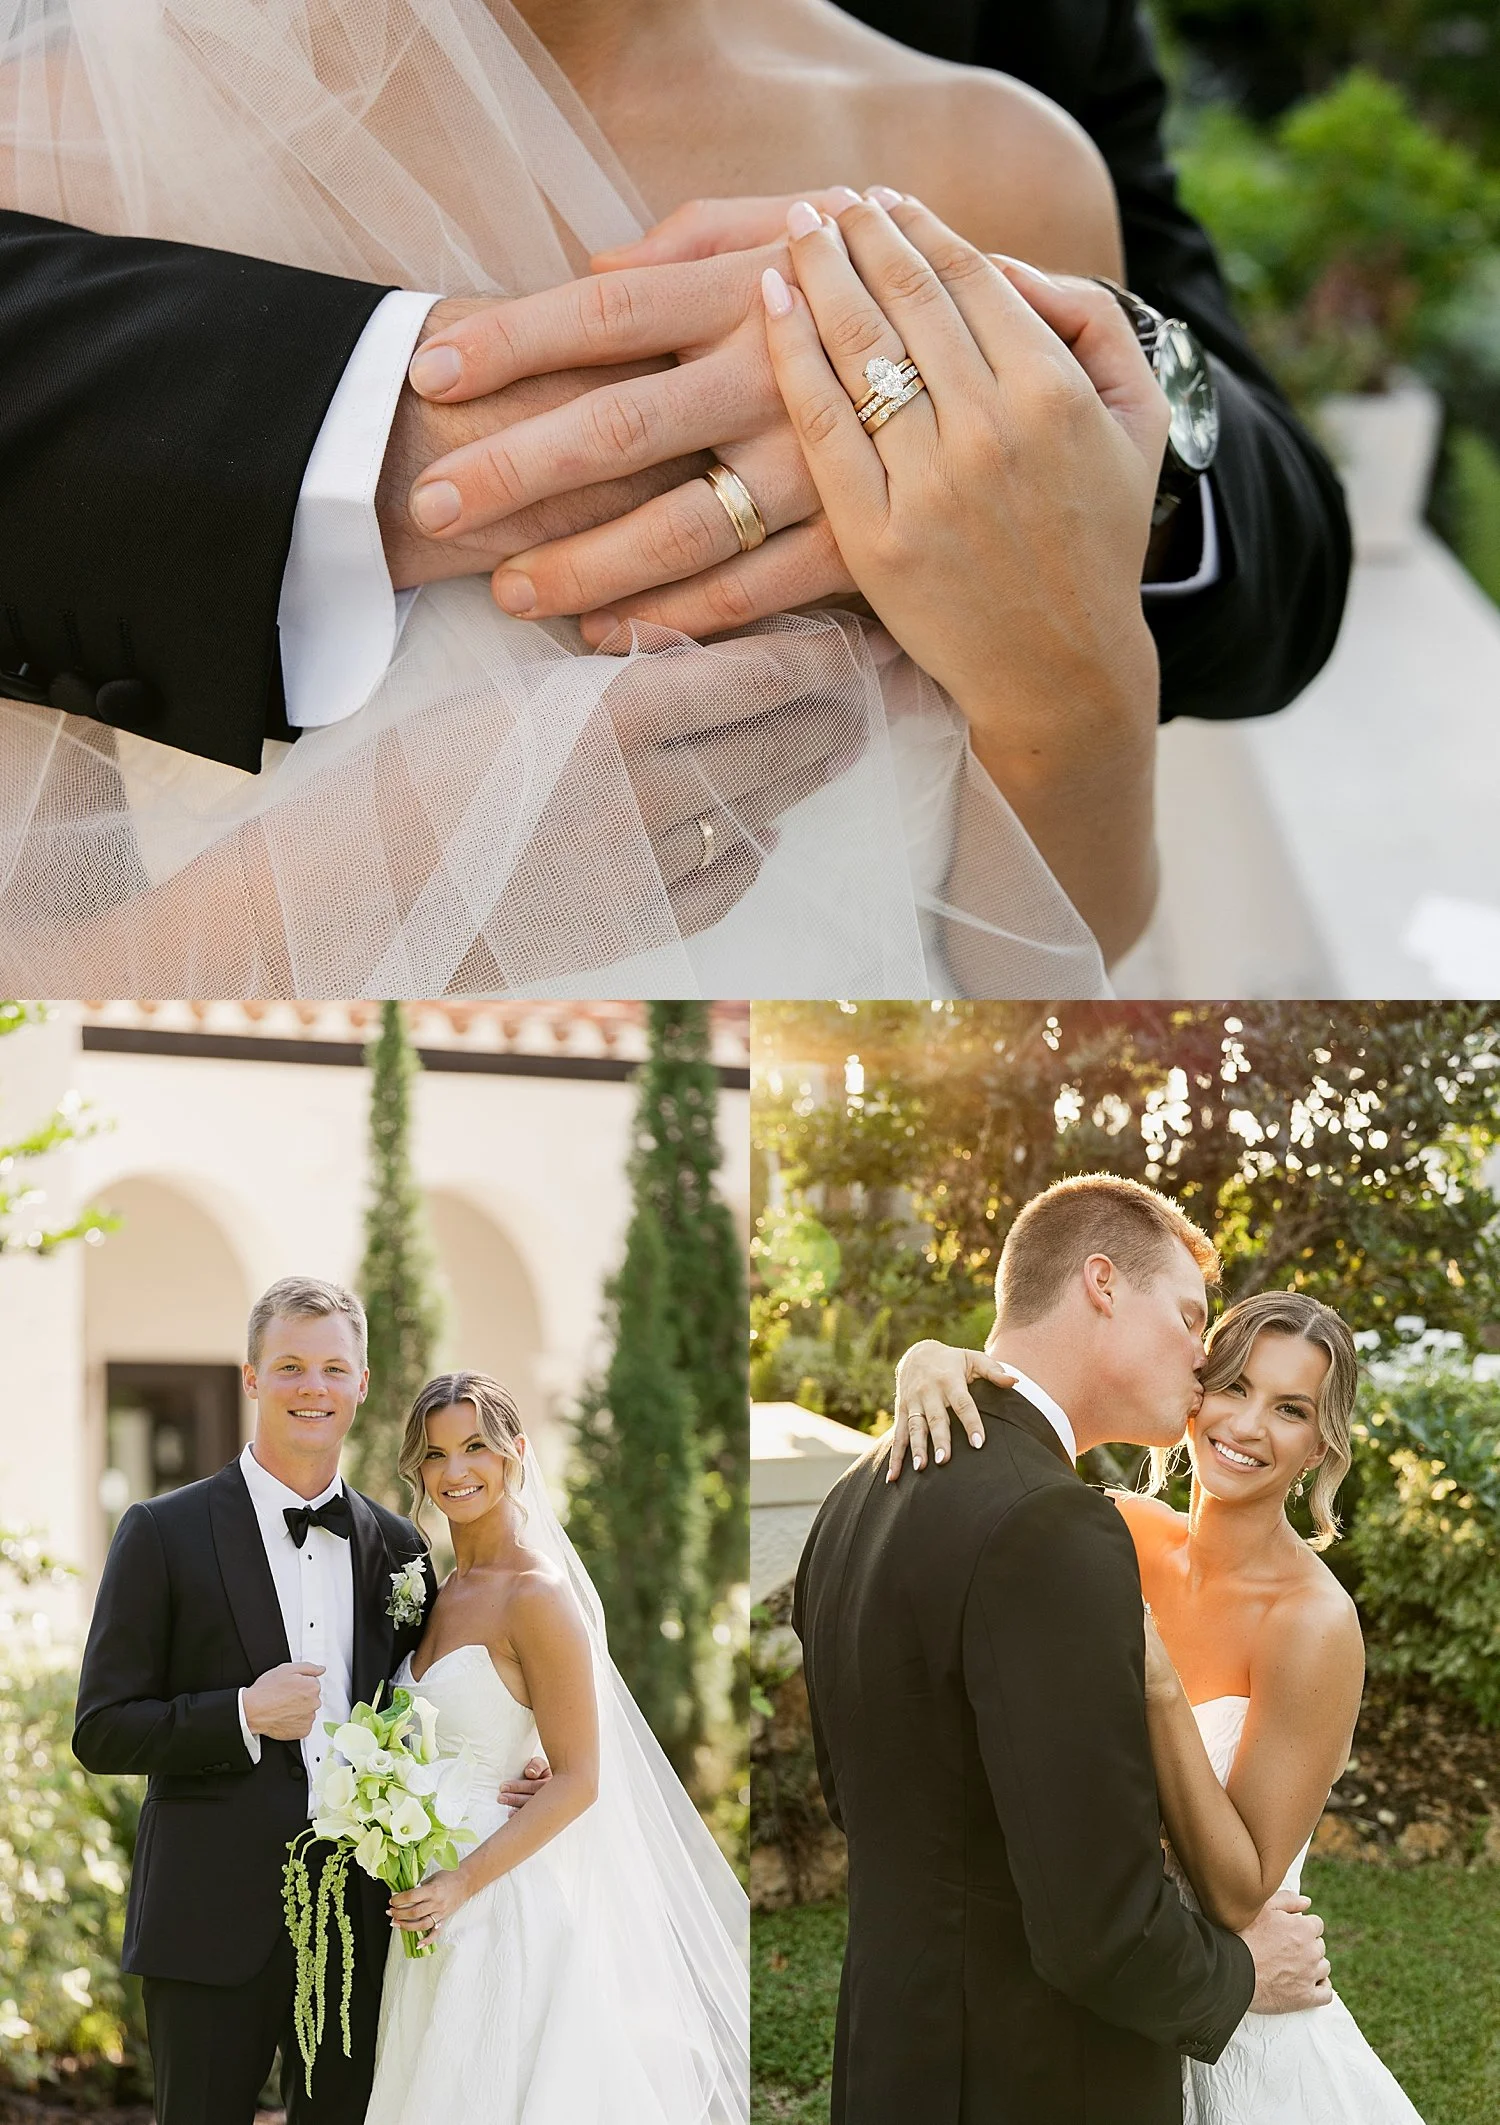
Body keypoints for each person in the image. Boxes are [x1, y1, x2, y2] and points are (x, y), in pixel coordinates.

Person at [0, 0, 1335, 994]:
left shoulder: (1002, 163)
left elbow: (1053, 956)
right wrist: (372, 889)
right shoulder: (53, 172)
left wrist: (1067, 690)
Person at [793, 1174, 1333, 2125]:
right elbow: (1096, 1925)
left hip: (893, 2053)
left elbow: (854, 1796)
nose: (1202, 1358)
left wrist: (933, 1355)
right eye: (1189, 1315)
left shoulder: (857, 1492)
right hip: (1036, 2077)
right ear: (1101, 1282)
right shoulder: (1054, 1525)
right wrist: (1244, 1973)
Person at [889, 1286, 1426, 2122]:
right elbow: (1011, 1450)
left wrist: (1161, 1685)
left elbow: (1240, 1892)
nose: (1248, 1425)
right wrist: (928, 1359)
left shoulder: (1314, 1624)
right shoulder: (1121, 1530)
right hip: (1108, 2010)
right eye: (1235, 1385)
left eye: (1289, 1408)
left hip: (1245, 2025)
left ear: (1320, 1445)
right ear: (1195, 1390)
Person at [70, 1278, 546, 2125]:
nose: (312, 1387)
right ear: (252, 1376)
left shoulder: (400, 1548)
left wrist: (522, 1752)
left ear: (361, 1383)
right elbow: (101, 1729)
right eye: (289, 1365)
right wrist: (242, 1714)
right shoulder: (162, 1531)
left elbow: (427, 1701)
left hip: (362, 1926)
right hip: (206, 1928)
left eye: (332, 1368)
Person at [365, 1371, 748, 2123]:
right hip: (426, 1907)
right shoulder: (441, 1588)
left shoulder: (535, 1593)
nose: (455, 1470)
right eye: (435, 1454)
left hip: (496, 1903)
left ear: (516, 1451)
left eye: (475, 1446)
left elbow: (579, 1778)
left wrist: (462, 1882)